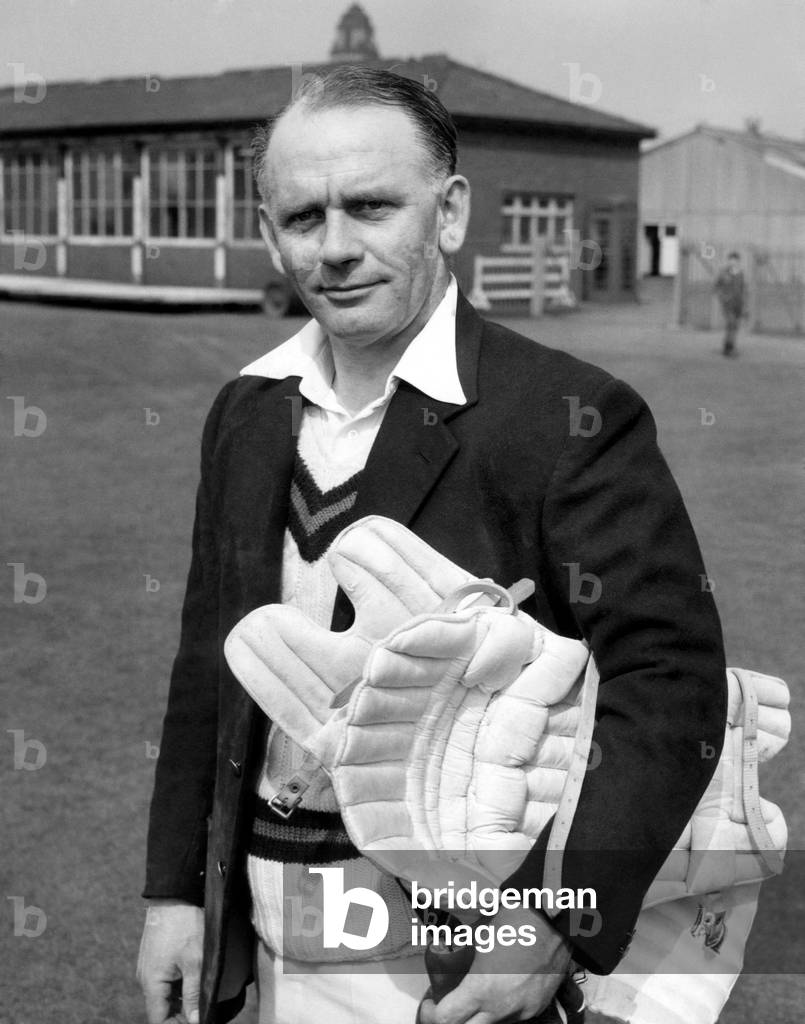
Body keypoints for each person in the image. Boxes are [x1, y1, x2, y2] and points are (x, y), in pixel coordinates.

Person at [137, 66, 727, 1024]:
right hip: (273, 922)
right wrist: (176, 893)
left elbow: (669, 681)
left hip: (465, 942)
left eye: (371, 207)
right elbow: (207, 667)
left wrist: (551, 918)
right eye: (303, 217)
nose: (335, 248)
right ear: (270, 234)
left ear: (448, 213)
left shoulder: (567, 414)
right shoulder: (244, 412)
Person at [714, 251, 746, 357]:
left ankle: (728, 346)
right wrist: (723, 297)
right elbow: (716, 287)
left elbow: (743, 289)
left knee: (734, 326)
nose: (733, 262)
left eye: (735, 260)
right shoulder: (723, 273)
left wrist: (744, 304)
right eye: (731, 260)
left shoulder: (741, 274)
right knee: (731, 323)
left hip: (738, 304)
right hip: (728, 304)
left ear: (738, 261)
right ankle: (729, 348)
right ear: (728, 261)